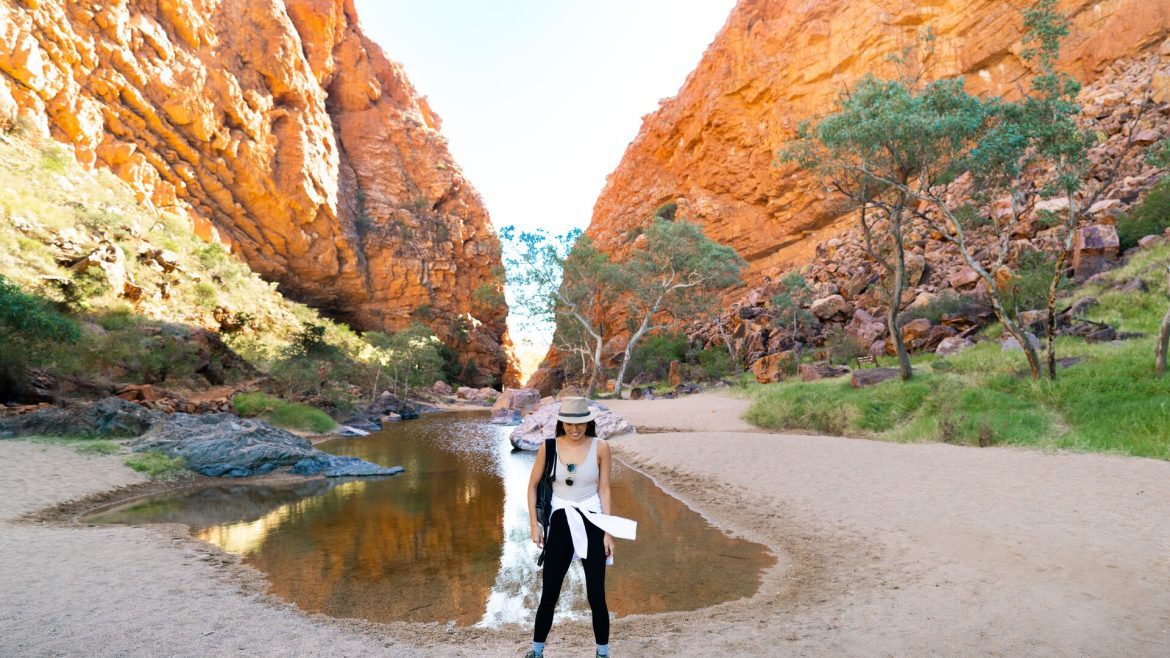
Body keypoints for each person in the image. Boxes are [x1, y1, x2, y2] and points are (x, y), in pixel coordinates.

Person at [525, 397, 636, 658]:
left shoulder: (601, 447)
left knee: (596, 594)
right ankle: (537, 652)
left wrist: (608, 532)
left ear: (589, 422)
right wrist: (534, 524)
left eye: (581, 424)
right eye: (570, 424)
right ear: (561, 423)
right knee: (549, 593)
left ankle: (602, 653)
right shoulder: (548, 447)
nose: (575, 429)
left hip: (592, 520)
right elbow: (531, 486)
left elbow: (605, 489)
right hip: (560, 521)